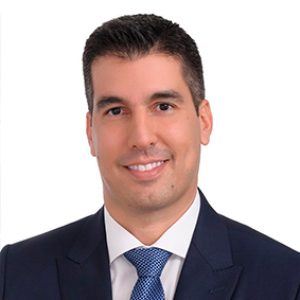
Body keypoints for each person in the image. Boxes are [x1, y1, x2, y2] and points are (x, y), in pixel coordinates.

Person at [0, 13, 299, 300]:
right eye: (116, 111)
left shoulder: (287, 280)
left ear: (203, 121)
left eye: (163, 106)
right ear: (91, 133)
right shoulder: (13, 275)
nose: (142, 138)